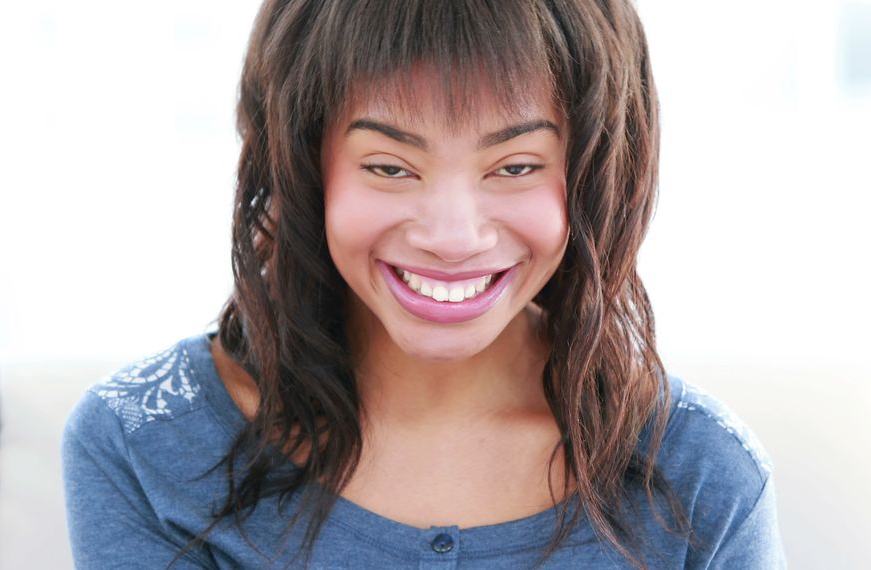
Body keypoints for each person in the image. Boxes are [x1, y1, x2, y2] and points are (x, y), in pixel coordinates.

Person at [61, 0, 785, 568]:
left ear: (597, 174)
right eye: (388, 166)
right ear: (303, 167)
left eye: (516, 166)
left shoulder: (701, 476)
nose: (452, 235)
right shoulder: (146, 442)